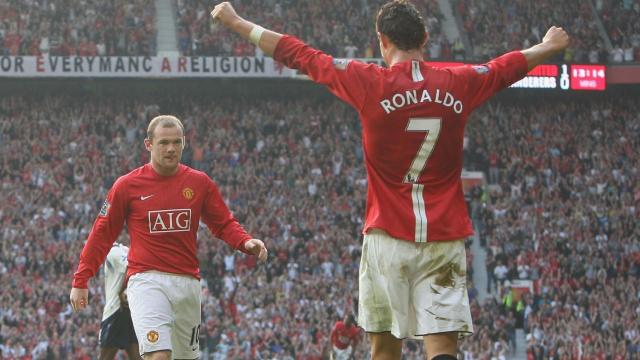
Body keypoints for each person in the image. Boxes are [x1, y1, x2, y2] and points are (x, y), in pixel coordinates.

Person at [211, 1, 568, 359]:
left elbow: (298, 54)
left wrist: (236, 21)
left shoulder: (368, 81)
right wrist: (546, 47)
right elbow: (504, 67)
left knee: (384, 348)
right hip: (443, 238)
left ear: (382, 40)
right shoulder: (458, 82)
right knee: (442, 346)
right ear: (425, 38)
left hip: (387, 237)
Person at [70, 115, 268, 360]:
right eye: (163, 142)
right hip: (146, 280)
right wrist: (81, 280)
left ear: (184, 143)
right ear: (148, 144)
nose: (171, 148)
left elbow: (223, 223)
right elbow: (102, 234)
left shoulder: (199, 182)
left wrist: (245, 242)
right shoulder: (127, 186)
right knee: (159, 355)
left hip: (187, 284)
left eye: (176, 142)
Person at [99, 243, 140, 360]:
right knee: (136, 356)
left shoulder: (113, 251)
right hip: (130, 309)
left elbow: (130, 267)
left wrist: (121, 292)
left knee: (104, 357)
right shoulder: (125, 250)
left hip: (116, 309)